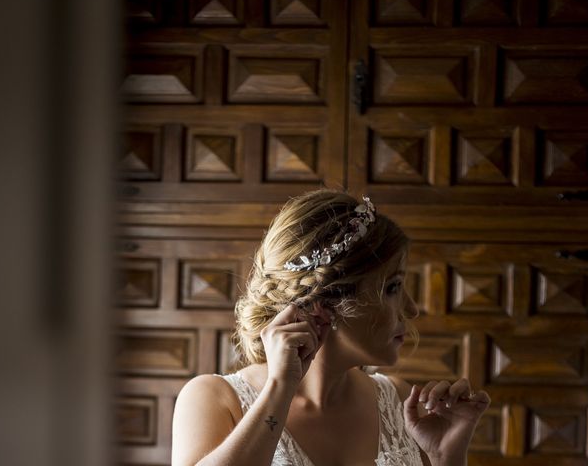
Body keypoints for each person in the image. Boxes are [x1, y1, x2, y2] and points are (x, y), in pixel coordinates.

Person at [172, 189, 490, 466]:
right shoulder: (214, 399)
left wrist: (447, 458)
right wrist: (280, 388)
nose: (412, 308)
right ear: (323, 303)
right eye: (392, 288)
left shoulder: (399, 400)